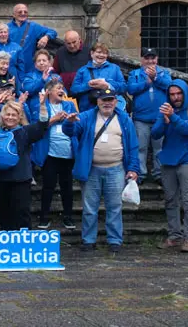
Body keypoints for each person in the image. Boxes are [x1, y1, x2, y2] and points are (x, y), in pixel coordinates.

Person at [62, 86, 140, 253]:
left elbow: (133, 146)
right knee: (89, 208)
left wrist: (133, 168)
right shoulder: (86, 117)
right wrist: (69, 122)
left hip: (116, 169)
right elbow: (70, 131)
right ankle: (88, 240)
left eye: (110, 100)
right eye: (104, 100)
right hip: (92, 169)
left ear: (116, 101)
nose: (107, 103)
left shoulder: (124, 119)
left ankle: (115, 241)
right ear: (97, 101)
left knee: (115, 207)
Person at [0, 101, 66, 231]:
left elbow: (42, 126)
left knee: (21, 214)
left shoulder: (26, 131)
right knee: (2, 215)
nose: (10, 117)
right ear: (2, 116)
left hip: (20, 180)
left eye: (14, 115)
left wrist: (42, 106)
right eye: (7, 114)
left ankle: (25, 246)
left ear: (19, 117)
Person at [152, 80, 188, 253]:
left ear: (185, 93)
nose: (175, 97)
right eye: (172, 94)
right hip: (168, 160)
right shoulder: (166, 109)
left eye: (179, 93)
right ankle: (174, 236)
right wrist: (164, 121)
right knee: (170, 201)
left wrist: (173, 117)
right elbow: (155, 133)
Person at [28, 78, 78, 229]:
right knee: (48, 186)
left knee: (67, 187)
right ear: (49, 91)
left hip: (68, 153)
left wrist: (71, 120)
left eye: (62, 88)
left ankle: (68, 217)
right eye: (58, 88)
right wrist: (53, 119)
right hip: (49, 154)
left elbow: (77, 123)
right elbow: (36, 127)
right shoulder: (41, 105)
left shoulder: (69, 105)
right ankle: (44, 217)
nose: (61, 90)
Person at [126, 47, 171, 183]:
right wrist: (146, 82)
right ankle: (140, 174)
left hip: (160, 117)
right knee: (140, 147)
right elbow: (131, 89)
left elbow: (170, 86)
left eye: (153, 58)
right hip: (141, 118)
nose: (150, 61)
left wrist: (155, 78)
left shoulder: (164, 73)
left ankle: (159, 174)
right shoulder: (135, 73)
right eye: (147, 58)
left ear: (157, 59)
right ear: (142, 59)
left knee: (160, 148)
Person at [70, 42, 127, 110]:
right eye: (99, 52)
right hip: (88, 110)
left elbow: (124, 88)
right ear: (92, 53)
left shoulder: (115, 68)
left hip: (110, 110)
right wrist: (88, 85)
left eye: (104, 53)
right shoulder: (83, 70)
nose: (101, 55)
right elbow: (73, 90)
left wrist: (108, 85)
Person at [6, 3, 57, 75]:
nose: (23, 13)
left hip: (28, 69)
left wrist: (46, 37)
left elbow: (53, 32)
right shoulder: (6, 28)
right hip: (11, 68)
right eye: (20, 12)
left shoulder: (33, 26)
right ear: (13, 14)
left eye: (25, 12)